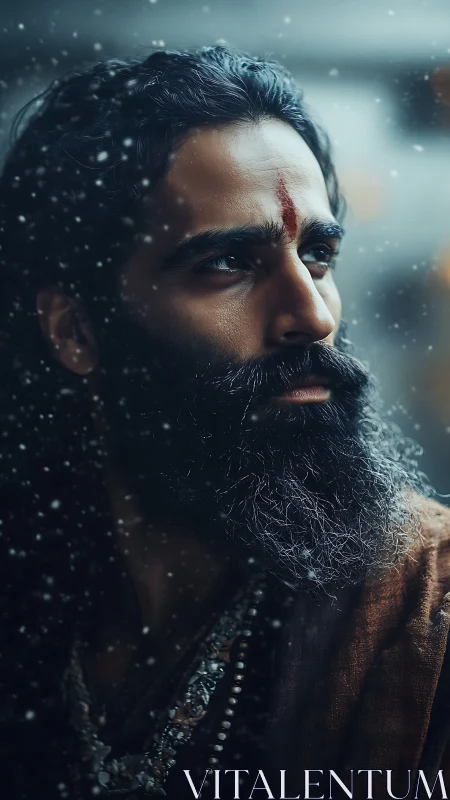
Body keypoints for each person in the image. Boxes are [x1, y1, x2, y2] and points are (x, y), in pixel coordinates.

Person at [0, 45, 449, 800]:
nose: (312, 316)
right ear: (76, 332)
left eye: (318, 255)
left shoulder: (427, 613)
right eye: (227, 264)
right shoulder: (32, 603)